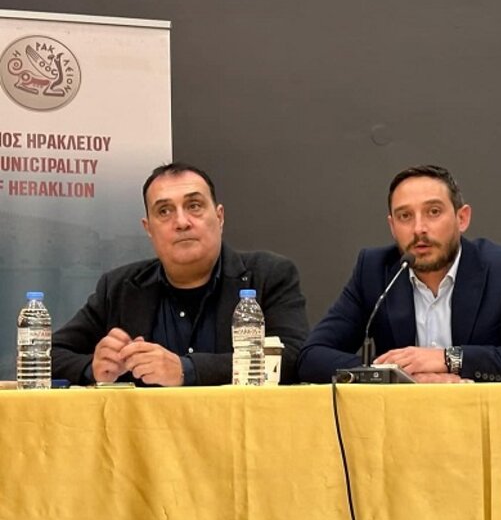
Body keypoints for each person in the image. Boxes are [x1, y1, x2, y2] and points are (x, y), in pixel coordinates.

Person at [297, 164, 501, 383]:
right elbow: (312, 357)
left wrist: (448, 359)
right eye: (405, 216)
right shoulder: (374, 271)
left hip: (483, 422)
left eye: (433, 212)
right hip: (400, 424)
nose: (419, 229)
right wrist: (395, 374)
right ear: (392, 227)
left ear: (462, 218)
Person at [52, 162, 310, 386]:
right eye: (164, 211)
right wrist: (94, 368)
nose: (182, 222)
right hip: (146, 427)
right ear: (148, 228)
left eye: (194, 206)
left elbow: (293, 357)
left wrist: (187, 369)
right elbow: (47, 355)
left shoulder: (267, 275)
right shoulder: (120, 287)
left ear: (219, 217)